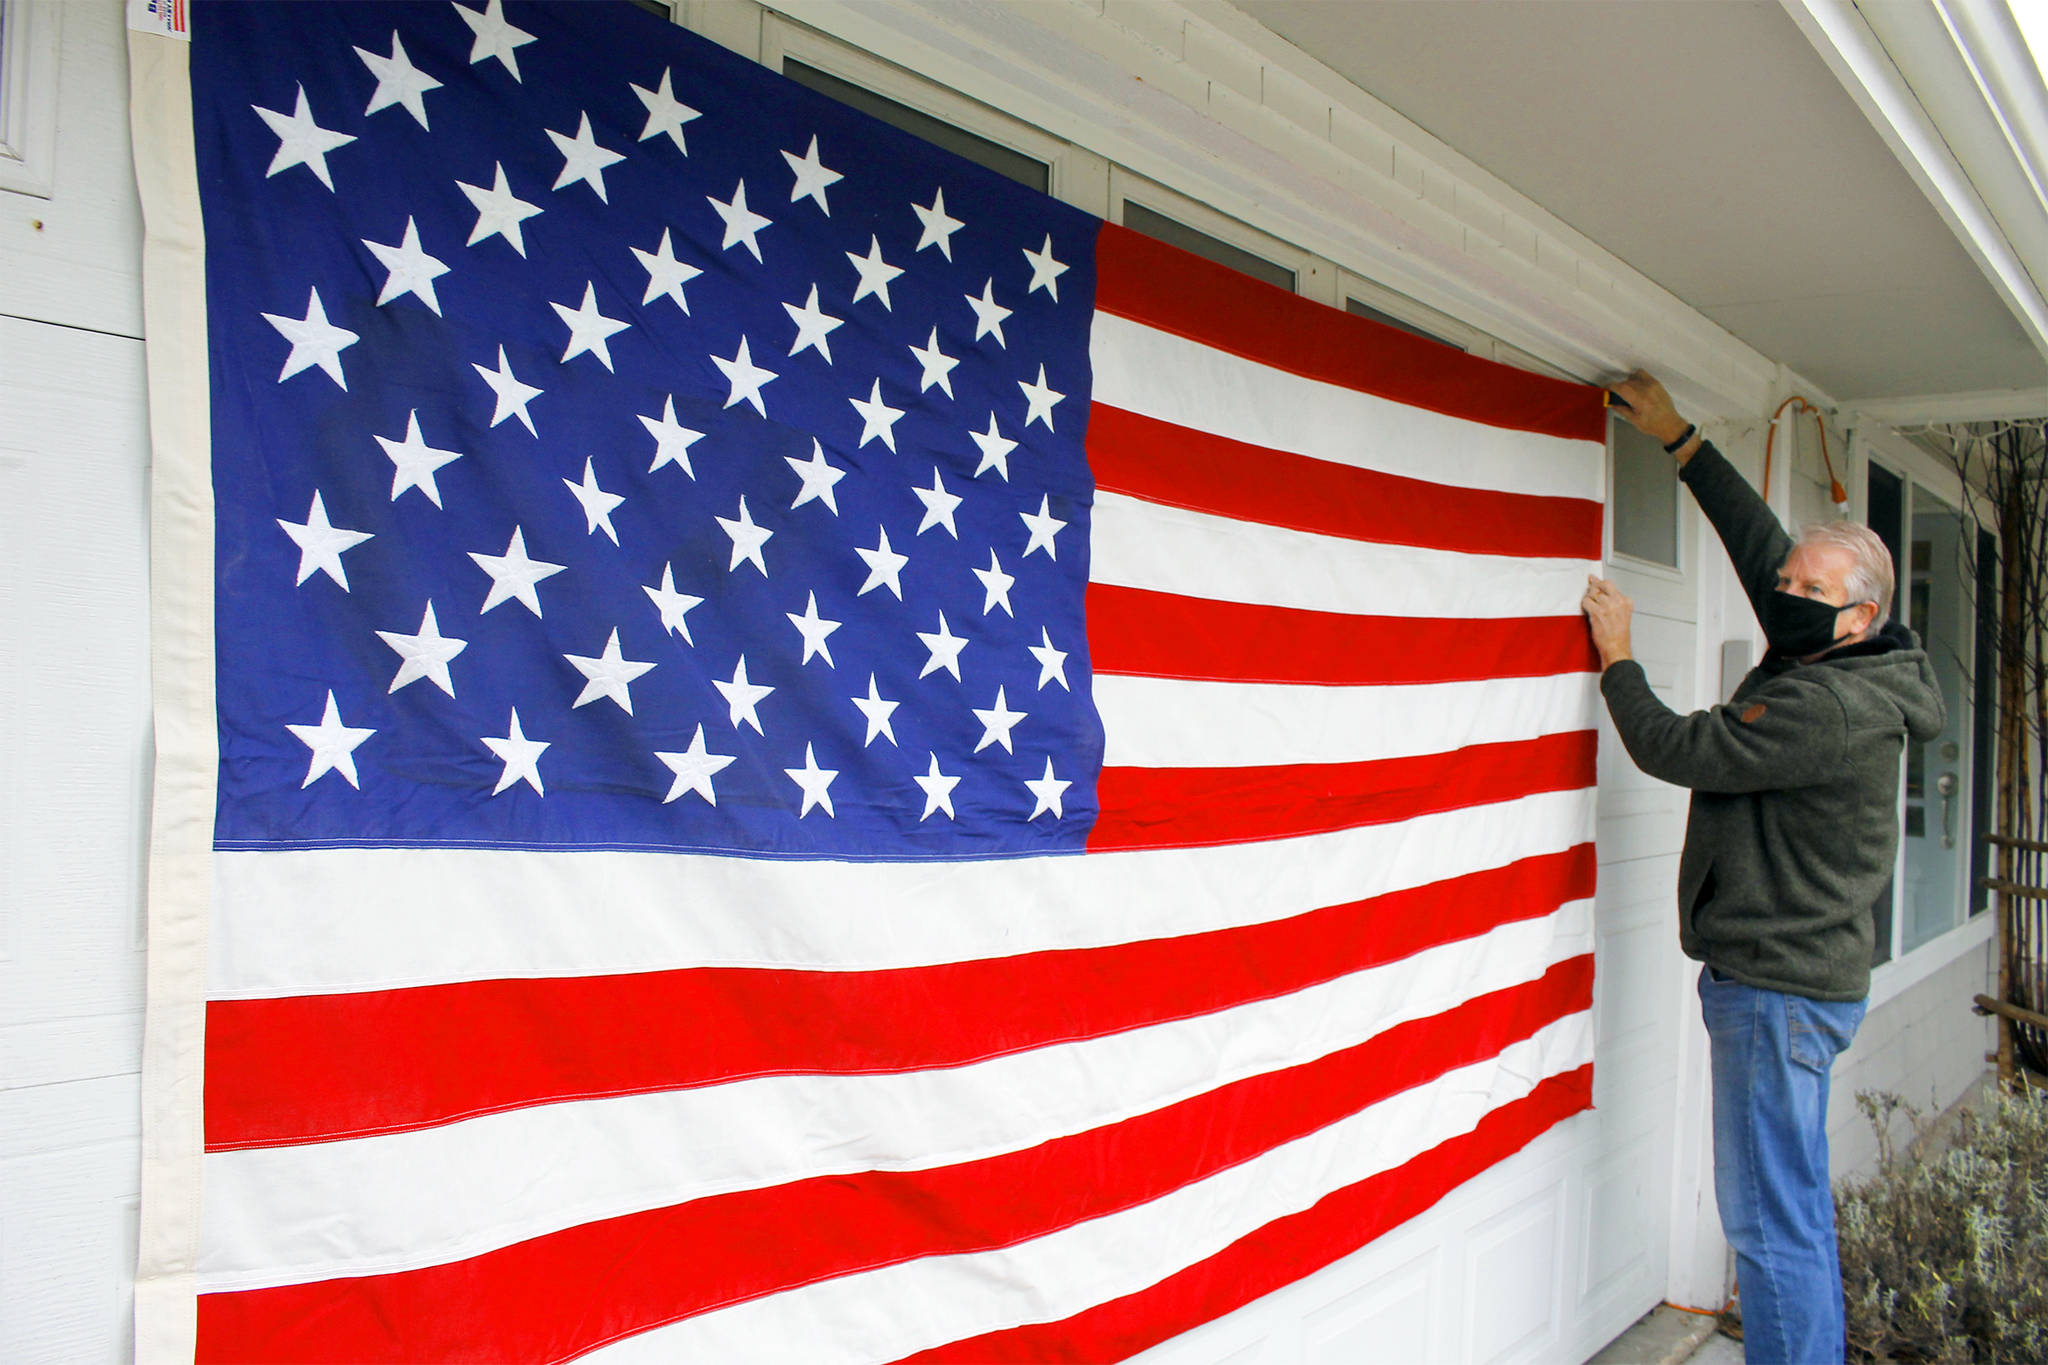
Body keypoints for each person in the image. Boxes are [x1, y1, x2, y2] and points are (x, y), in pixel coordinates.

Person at [1582, 371, 1944, 1365]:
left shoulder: (1821, 707)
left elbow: (1676, 746)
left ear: (1859, 614)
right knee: (1790, 1213)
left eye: (1811, 593)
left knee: (1765, 1227)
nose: (1786, 595)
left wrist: (1618, 656)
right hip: (1804, 986)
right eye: (1791, 583)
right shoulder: (1856, 657)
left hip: (1777, 992)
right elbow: (1763, 554)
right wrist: (1678, 439)